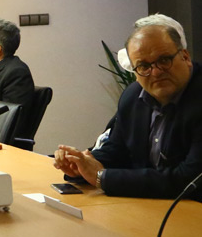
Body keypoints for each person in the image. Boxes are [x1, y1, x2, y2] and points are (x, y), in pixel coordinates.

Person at [53, 17, 202, 200]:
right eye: (144, 66)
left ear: (185, 57)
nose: (156, 72)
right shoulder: (133, 96)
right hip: (152, 206)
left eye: (164, 60)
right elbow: (117, 151)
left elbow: (189, 180)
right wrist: (82, 165)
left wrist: (101, 177)